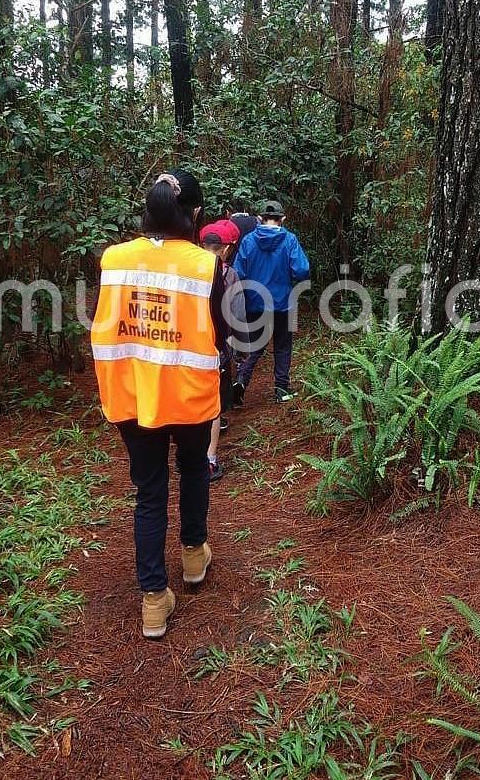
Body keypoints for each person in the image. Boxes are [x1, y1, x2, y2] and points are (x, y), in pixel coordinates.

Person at [91, 171, 226, 640]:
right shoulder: (205, 266)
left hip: (133, 394)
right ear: (195, 216)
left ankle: (153, 600)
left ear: (146, 211)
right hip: (188, 395)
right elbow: (222, 331)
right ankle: (193, 557)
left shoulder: (115, 259)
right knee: (193, 470)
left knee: (149, 491)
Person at [233, 200, 310, 404]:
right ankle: (281, 390)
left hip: (255, 303)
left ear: (260, 219)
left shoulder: (248, 241)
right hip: (283, 303)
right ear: (282, 219)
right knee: (283, 346)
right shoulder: (290, 240)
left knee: (255, 346)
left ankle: (240, 381)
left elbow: (238, 273)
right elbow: (302, 271)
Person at [199, 218, 246, 481]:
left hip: (185, 345)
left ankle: (188, 456)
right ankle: (209, 461)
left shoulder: (184, 270)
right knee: (213, 404)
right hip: (216, 347)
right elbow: (237, 315)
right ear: (227, 248)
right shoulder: (229, 275)